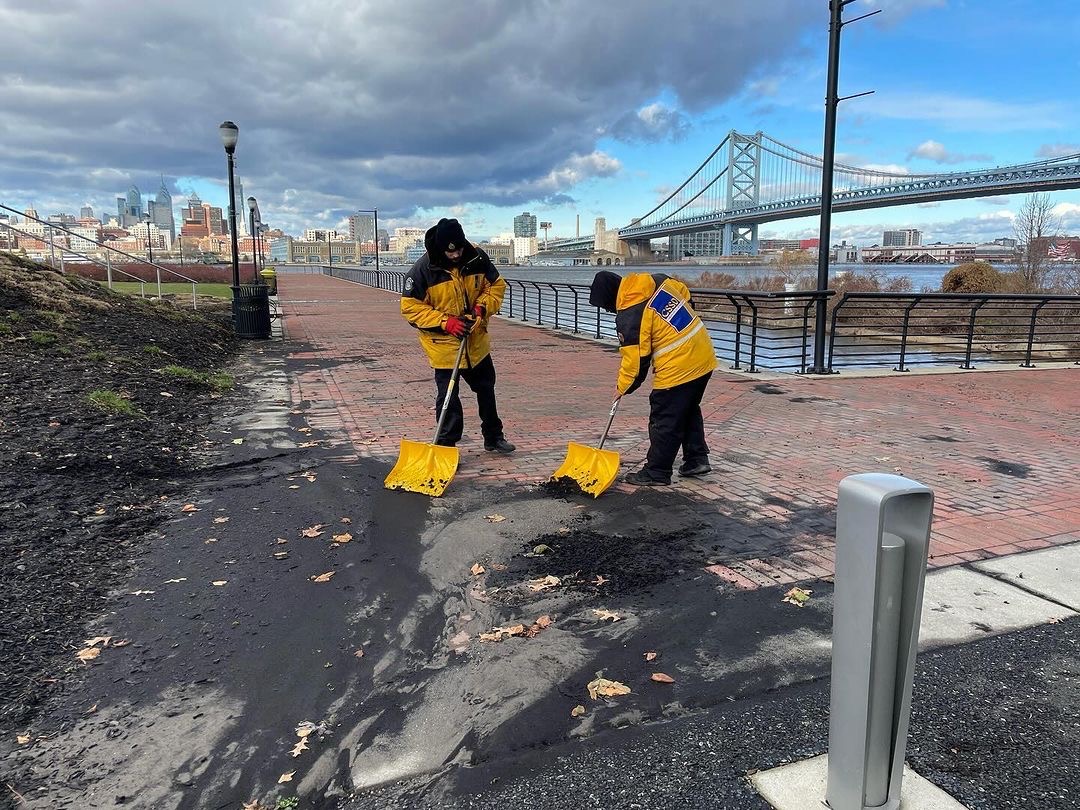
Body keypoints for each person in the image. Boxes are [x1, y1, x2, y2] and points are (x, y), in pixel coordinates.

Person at [589, 270, 716, 485]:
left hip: (679, 365)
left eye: (605, 306)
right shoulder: (657, 281)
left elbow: (635, 361)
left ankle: (657, 472)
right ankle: (696, 460)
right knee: (686, 409)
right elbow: (684, 292)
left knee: (664, 416)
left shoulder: (630, 313)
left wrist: (623, 387)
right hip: (702, 352)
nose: (609, 310)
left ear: (610, 297)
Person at [400, 218, 515, 453]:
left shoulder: (476, 257)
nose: (455, 255)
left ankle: (493, 437)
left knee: (486, 390)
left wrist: (482, 307)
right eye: (450, 252)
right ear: (440, 248)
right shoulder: (423, 270)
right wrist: (446, 322)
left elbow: (496, 286)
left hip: (475, 342)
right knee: (448, 397)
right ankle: (446, 445)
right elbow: (411, 308)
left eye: (459, 250)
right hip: (444, 347)